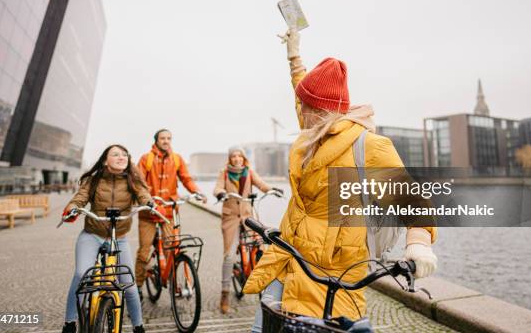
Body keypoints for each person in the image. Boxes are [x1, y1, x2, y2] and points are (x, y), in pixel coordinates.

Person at [243, 29, 438, 332]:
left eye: (306, 106)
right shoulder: (314, 132)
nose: (300, 110)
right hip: (287, 259)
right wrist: (294, 55)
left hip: (334, 275)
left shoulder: (368, 146)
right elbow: (301, 91)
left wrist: (420, 244)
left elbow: (413, 201)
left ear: (322, 111)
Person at [61, 145, 154, 333]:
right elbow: (80, 198)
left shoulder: (132, 179)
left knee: (128, 283)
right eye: (116, 154)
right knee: (81, 274)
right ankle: (70, 323)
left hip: (118, 237)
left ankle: (138, 326)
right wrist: (72, 207)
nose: (122, 157)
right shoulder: (93, 180)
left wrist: (149, 203)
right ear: (105, 160)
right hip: (92, 234)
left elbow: (143, 194)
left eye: (124, 154)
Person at [134, 128, 207, 300]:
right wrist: (146, 201)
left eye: (169, 138)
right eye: (163, 138)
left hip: (168, 212)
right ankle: (137, 286)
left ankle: (175, 284)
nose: (166, 141)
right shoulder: (146, 159)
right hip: (148, 213)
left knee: (172, 249)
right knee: (144, 252)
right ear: (156, 140)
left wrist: (197, 191)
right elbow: (138, 183)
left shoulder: (177, 158)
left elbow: (186, 178)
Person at [213, 146, 283, 314]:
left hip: (247, 217)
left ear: (244, 158)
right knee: (229, 255)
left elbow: (261, 185)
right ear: (230, 159)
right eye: (234, 156)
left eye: (240, 156)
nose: (237, 159)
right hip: (230, 218)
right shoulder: (224, 173)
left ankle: (264, 287)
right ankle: (224, 295)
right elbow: (217, 188)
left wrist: (272, 189)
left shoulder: (249, 172)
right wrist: (221, 193)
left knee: (261, 247)